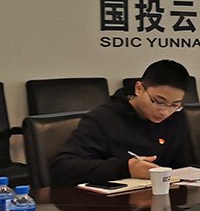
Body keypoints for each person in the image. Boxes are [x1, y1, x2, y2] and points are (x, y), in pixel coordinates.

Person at [51, 60, 192, 186]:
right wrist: (126, 168)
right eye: (158, 102)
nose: (165, 112)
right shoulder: (103, 118)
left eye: (175, 105)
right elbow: (62, 168)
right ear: (139, 88)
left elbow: (180, 166)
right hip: (109, 201)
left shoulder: (176, 117)